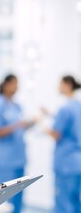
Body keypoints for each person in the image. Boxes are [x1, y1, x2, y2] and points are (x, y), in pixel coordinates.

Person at [0, 74, 35, 213]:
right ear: (6, 85)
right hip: (6, 160)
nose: (16, 88)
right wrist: (17, 125)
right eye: (14, 84)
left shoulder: (17, 106)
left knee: (18, 198)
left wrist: (30, 123)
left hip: (19, 158)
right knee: (4, 199)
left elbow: (20, 127)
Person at [48, 75, 81, 213]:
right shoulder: (77, 106)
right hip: (77, 162)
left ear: (67, 84)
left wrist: (42, 127)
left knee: (63, 203)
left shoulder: (65, 108)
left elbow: (56, 133)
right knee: (75, 202)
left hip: (66, 163)